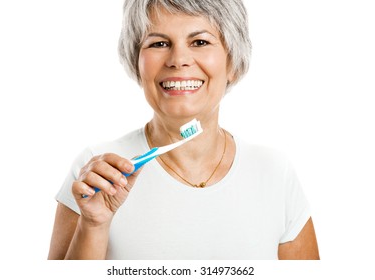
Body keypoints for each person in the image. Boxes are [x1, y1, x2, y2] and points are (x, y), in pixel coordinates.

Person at [48, 0, 319, 260]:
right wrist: (93, 224)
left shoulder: (274, 173)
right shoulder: (97, 173)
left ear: (233, 62)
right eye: (159, 43)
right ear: (137, 63)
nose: (178, 59)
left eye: (200, 42)